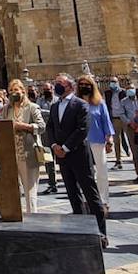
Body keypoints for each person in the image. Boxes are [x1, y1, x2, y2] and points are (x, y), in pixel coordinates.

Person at [44, 75, 107, 239]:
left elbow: (82, 129)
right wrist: (54, 146)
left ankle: (101, 233)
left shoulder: (81, 104)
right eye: (55, 82)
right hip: (62, 156)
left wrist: (65, 147)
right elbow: (50, 127)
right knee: (73, 194)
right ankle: (80, 230)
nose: (57, 85)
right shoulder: (55, 106)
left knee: (90, 194)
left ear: (70, 86)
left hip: (78, 153)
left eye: (60, 83)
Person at [0, 80, 45, 214]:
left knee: (29, 189)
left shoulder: (32, 107)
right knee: (13, 188)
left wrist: (24, 127)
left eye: (16, 90)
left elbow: (41, 127)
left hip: (27, 152)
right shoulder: (7, 108)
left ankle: (32, 217)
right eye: (11, 91)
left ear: (23, 91)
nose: (14, 93)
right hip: (11, 152)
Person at [77, 74, 113, 213]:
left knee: (102, 171)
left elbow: (106, 120)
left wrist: (109, 139)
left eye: (87, 84)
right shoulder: (76, 103)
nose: (84, 87)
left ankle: (103, 201)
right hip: (81, 142)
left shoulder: (99, 103)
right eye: (82, 85)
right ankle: (89, 200)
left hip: (97, 140)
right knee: (86, 173)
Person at [103, 78, 132, 170]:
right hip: (115, 118)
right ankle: (118, 160)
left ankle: (134, 157)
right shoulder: (107, 93)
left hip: (125, 118)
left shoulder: (123, 92)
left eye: (114, 82)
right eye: (111, 82)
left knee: (130, 138)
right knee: (116, 140)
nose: (113, 83)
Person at [35, 87, 58, 195]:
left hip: (58, 132)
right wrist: (51, 112)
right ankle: (52, 184)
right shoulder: (40, 100)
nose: (46, 91)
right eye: (44, 89)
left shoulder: (57, 100)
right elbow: (38, 111)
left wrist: (48, 113)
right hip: (46, 133)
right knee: (48, 160)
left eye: (48, 89)